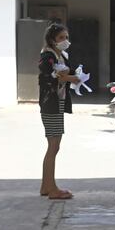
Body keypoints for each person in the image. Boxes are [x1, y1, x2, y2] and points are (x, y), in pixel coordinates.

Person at [38, 23, 80, 200]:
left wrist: (69, 76)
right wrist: (72, 78)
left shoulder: (59, 55)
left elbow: (62, 73)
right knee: (53, 145)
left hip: (58, 102)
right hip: (51, 104)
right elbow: (49, 77)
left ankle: (46, 186)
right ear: (52, 39)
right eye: (61, 38)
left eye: (66, 37)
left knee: (54, 145)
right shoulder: (48, 56)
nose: (65, 41)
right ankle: (52, 188)